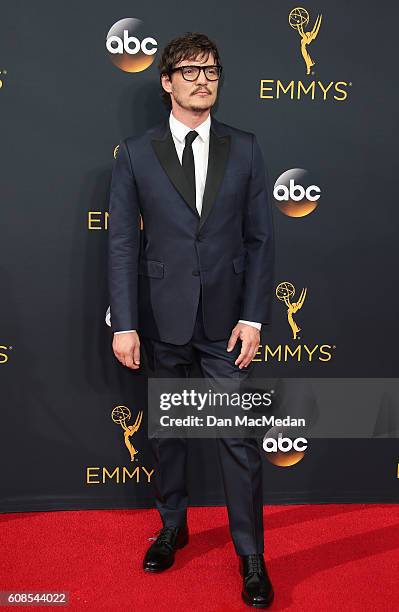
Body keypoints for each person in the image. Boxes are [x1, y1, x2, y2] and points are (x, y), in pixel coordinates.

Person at [108, 31, 275, 608]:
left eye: (212, 71)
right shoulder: (135, 152)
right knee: (167, 433)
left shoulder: (247, 148)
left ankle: (251, 556)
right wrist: (124, 322)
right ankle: (172, 526)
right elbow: (123, 246)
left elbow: (260, 241)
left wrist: (254, 319)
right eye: (191, 71)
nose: (204, 80)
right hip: (161, 319)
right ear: (167, 82)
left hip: (228, 324)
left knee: (239, 438)